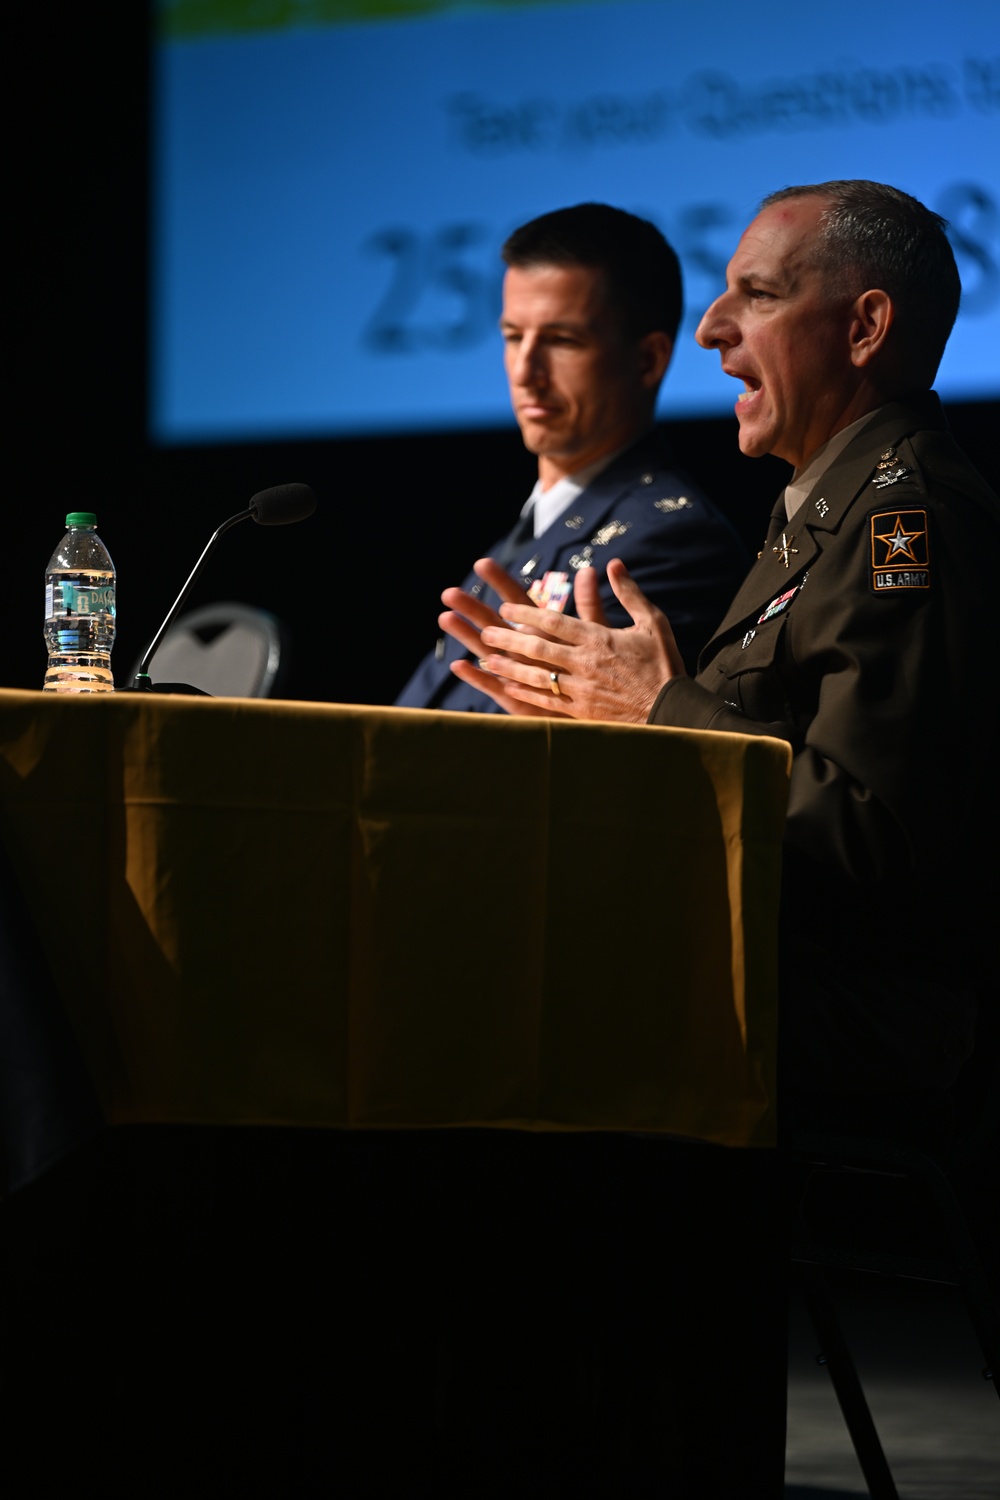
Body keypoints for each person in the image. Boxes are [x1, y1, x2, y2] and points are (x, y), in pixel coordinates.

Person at [443, 180, 1000, 1112]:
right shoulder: (822, 516)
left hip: (850, 1017)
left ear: (864, 329)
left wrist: (660, 711)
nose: (710, 329)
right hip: (764, 976)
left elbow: (872, 835)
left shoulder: (910, 524)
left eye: (761, 295)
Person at [395, 203, 747, 711]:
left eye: (562, 340)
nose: (526, 370)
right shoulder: (533, 528)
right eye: (514, 337)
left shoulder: (669, 541)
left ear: (647, 359)